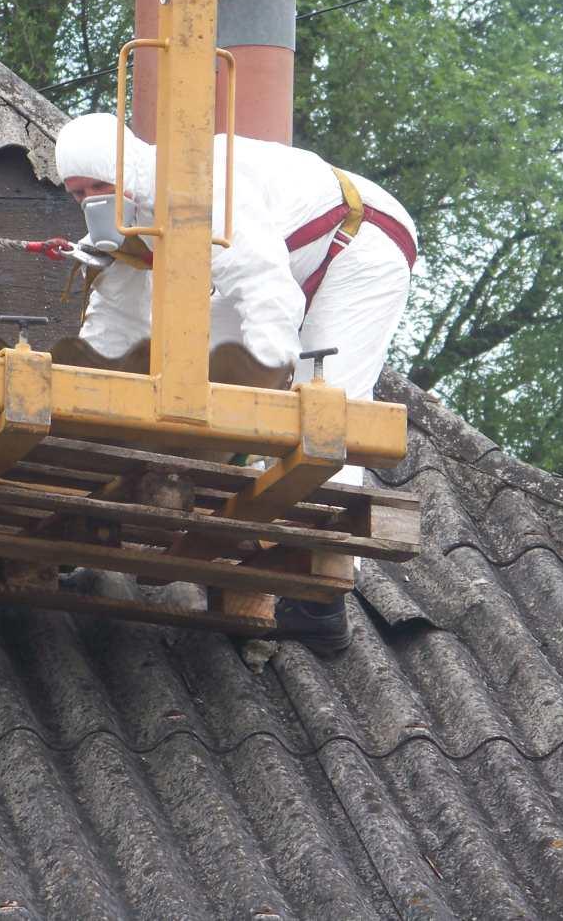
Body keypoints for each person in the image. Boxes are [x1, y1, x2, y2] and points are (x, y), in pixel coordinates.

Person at [56, 112, 417, 654]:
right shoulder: (122, 230)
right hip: (290, 255)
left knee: (326, 402)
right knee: (189, 358)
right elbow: (119, 334)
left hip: (360, 242)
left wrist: (265, 393)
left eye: (98, 186)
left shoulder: (202, 186)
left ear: (124, 171)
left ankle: (322, 593)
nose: (90, 201)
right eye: (77, 192)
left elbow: (266, 293)